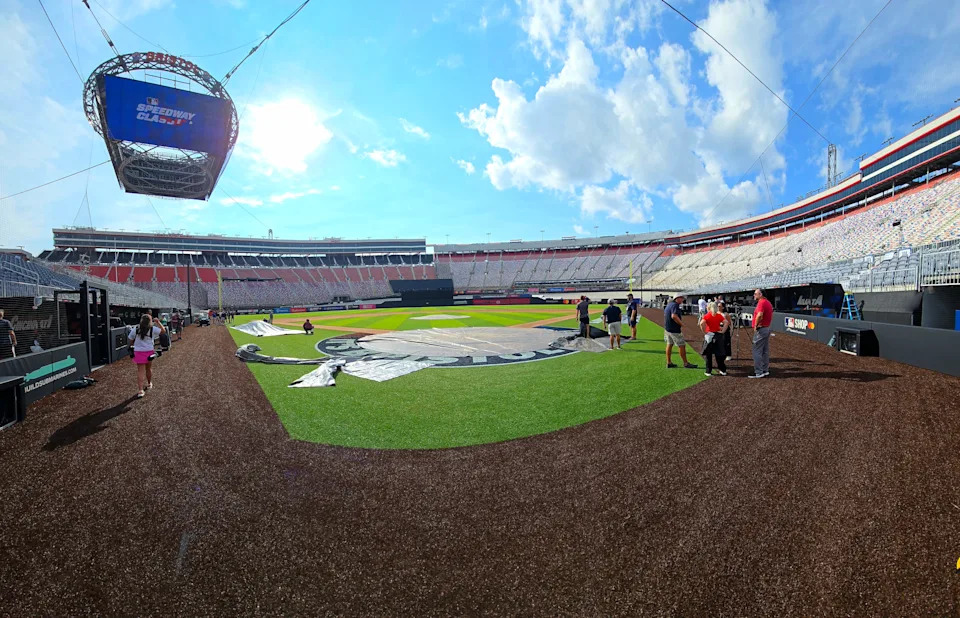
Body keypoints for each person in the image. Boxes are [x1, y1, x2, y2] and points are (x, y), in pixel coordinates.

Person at [128, 314, 166, 399]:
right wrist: (158, 322)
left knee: (140, 371)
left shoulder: (137, 328)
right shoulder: (152, 329)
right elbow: (163, 331)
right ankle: (149, 383)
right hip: (149, 351)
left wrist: (133, 345)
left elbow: (130, 338)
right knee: (148, 368)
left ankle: (140, 390)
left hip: (138, 351)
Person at [664, 294, 696, 369]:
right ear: (677, 298)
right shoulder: (675, 305)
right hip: (674, 330)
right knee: (682, 345)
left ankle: (669, 362)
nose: (683, 300)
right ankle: (686, 363)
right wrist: (682, 324)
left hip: (668, 328)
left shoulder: (669, 305)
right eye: (681, 298)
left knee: (669, 344)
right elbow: (674, 316)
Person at [749, 288, 774, 378]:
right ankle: (764, 370)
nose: (754, 295)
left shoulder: (762, 302)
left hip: (761, 328)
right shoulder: (767, 302)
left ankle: (759, 372)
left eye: (756, 293)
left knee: (757, 351)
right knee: (764, 351)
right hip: (766, 328)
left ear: (761, 294)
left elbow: (760, 315)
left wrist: (755, 325)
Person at [698, 302, 728, 376]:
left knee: (709, 355)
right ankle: (722, 370)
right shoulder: (718, 315)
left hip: (709, 335)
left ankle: (708, 371)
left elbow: (701, 323)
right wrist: (723, 331)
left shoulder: (707, 315)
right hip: (718, 335)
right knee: (719, 354)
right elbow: (726, 322)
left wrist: (704, 332)